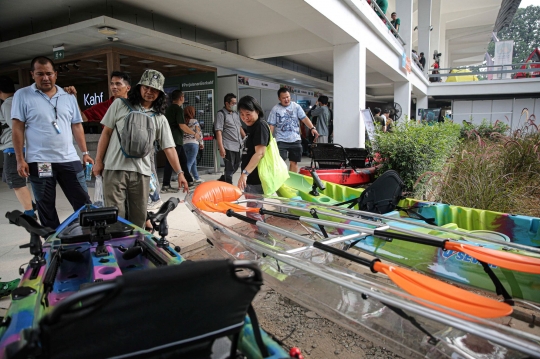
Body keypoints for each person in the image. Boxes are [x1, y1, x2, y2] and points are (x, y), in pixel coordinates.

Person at [92, 69, 188, 228]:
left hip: (141, 173)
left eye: (154, 89)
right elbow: (106, 133)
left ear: (160, 93)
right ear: (139, 87)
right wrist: (98, 161)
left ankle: (137, 248)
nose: (149, 92)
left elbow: (169, 148)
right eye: (146, 87)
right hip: (114, 169)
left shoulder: (160, 118)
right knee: (116, 218)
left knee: (139, 218)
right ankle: (119, 250)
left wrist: (180, 173)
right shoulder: (120, 105)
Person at [11, 56, 93, 229]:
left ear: (55, 74)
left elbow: (76, 125)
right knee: (45, 206)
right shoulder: (23, 95)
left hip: (69, 159)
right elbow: (17, 128)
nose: (45, 78)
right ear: (32, 74)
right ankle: (53, 243)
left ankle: (87, 236)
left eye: (49, 73)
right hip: (41, 161)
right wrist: (20, 159)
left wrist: (85, 153)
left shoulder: (68, 96)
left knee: (84, 203)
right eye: (40, 74)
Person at [0, 76, 36, 219]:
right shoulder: (17, 101)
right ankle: (32, 205)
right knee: (8, 178)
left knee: (16, 182)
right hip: (17, 149)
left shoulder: (8, 104)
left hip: (14, 149)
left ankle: (30, 214)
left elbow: (16, 127)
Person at [267, 88, 319, 173]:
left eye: (288, 97)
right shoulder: (275, 109)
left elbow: (304, 118)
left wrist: (312, 128)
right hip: (281, 140)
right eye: (283, 98)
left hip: (295, 139)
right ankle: (282, 182)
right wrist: (268, 139)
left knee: (294, 162)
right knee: (280, 162)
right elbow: (272, 125)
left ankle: (292, 181)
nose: (286, 99)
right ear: (279, 99)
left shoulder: (296, 106)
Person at [237, 95, 270, 224]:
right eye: (242, 114)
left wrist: (245, 174)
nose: (245, 117)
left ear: (257, 110)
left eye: (248, 114)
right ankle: (261, 237)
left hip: (255, 178)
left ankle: (262, 239)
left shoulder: (260, 126)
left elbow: (260, 153)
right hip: (252, 178)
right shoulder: (252, 127)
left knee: (253, 213)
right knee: (255, 210)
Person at [162, 90, 200, 192]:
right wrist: (194, 133)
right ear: (181, 98)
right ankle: (165, 185)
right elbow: (182, 125)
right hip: (175, 139)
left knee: (183, 161)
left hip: (172, 138)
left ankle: (190, 181)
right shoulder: (178, 109)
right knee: (170, 162)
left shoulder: (169, 109)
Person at [66, 71, 132, 123]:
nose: (114, 87)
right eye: (112, 84)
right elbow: (81, 117)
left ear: (128, 88)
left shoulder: (135, 105)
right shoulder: (103, 107)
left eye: (118, 84)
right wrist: (73, 98)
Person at [215, 93, 245, 184]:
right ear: (227, 103)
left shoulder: (236, 114)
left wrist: (246, 137)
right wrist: (221, 147)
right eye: (233, 103)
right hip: (228, 145)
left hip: (237, 145)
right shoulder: (221, 114)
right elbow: (218, 131)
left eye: (236, 103)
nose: (235, 105)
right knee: (229, 166)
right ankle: (228, 185)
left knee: (236, 165)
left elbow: (239, 127)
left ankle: (224, 178)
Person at [183, 106, 204, 183]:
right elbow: (199, 132)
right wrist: (201, 142)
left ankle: (196, 178)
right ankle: (186, 180)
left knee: (193, 162)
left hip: (184, 144)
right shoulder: (194, 121)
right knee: (190, 162)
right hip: (194, 143)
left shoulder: (183, 122)